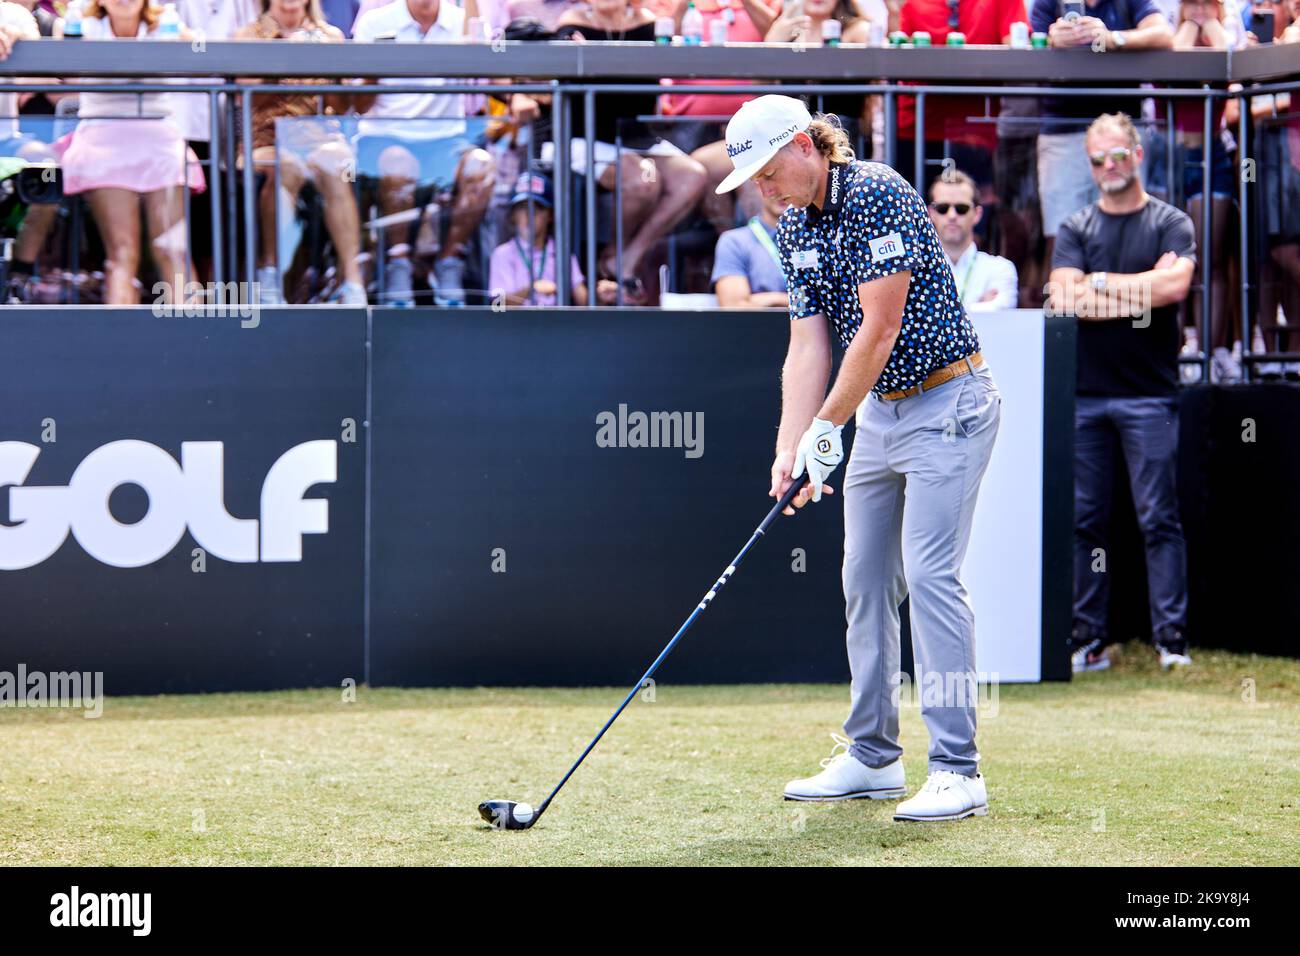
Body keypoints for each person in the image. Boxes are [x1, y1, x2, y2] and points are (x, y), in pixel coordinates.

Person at [716, 95, 1001, 822]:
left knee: (931, 575)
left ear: (808, 146)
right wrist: (792, 446)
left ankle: (959, 770)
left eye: (769, 171)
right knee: (865, 577)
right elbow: (807, 344)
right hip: (882, 410)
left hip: (951, 400)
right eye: (753, 180)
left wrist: (826, 429)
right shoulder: (793, 225)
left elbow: (878, 329)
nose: (764, 189)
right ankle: (874, 755)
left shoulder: (878, 192)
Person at [1046, 113, 1195, 672]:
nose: (1108, 166)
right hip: (1085, 395)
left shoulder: (1171, 221)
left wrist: (1098, 285)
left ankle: (1171, 640)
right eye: (1097, 159)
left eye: (1117, 156)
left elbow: (1176, 285)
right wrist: (1141, 290)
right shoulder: (1077, 226)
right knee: (1087, 519)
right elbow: (1063, 300)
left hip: (1150, 396)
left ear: (1137, 154)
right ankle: (1089, 638)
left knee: (1158, 517)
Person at [553, 0, 708, 302]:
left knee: (692, 176)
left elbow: (662, 70)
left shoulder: (648, 22)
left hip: (637, 136)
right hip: (586, 135)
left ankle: (624, 258)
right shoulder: (572, 20)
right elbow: (564, 69)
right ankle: (605, 265)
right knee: (641, 181)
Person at [54, 0, 206, 305]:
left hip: (158, 136)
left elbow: (204, 52)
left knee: (172, 248)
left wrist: (188, 38)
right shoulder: (79, 24)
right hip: (102, 136)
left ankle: (194, 342)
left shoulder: (167, 22)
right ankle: (121, 347)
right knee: (123, 251)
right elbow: (64, 77)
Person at [353, 0, 497, 306]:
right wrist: (375, 70)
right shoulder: (374, 22)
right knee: (397, 162)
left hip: (445, 140)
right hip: (385, 137)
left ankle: (448, 263)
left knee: (481, 167)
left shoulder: (463, 21)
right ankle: (398, 265)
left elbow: (486, 68)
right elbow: (357, 104)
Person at [233, 0, 367, 305]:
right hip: (267, 140)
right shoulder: (249, 35)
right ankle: (269, 275)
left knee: (336, 166)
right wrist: (284, 48)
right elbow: (244, 91)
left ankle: (353, 281)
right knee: (286, 166)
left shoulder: (330, 37)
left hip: (319, 139)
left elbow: (344, 104)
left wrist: (332, 69)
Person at [1029, 1, 1174, 264]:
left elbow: (1163, 34)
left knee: (1127, 229)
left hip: (1121, 127)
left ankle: (1120, 301)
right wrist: (1052, 39)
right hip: (1063, 129)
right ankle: (1070, 301)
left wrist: (1112, 38)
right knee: (1061, 236)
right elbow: (1027, 42)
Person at [894, 0, 1030, 199]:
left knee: (976, 214)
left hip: (977, 129)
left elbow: (1019, 55)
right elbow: (894, 57)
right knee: (911, 213)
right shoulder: (911, 3)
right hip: (918, 127)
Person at [1173, 0, 1238, 380]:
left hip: (1213, 156)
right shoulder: (1173, 34)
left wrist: (1212, 23)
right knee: (1177, 259)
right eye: (1191, 2)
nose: (1199, 9)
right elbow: (1176, 58)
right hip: (1175, 155)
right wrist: (1190, 24)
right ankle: (1179, 349)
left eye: (1206, 2)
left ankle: (1211, 351)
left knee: (1211, 259)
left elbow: (1230, 62)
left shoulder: (1220, 32)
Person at [0, 1, 57, 302]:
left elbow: (42, 68)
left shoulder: (14, 13)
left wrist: (10, 33)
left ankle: (17, 278)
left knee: (49, 169)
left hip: (6, 140)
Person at [487, 170, 614, 305]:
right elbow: (497, 307)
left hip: (554, 325)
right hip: (515, 325)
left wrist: (601, 299)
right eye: (522, 207)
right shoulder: (502, 254)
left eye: (538, 208)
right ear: (513, 215)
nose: (530, 214)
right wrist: (531, 288)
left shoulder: (561, 254)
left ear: (550, 215)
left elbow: (584, 304)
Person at [928, 169, 1018, 312]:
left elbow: (1001, 312)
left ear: (977, 214)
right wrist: (978, 307)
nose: (952, 215)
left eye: (961, 208)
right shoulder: (918, 271)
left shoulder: (1001, 268)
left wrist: (937, 312)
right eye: (943, 208)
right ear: (931, 213)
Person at [711, 191, 789, 308]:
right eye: (769, 177)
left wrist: (769, 299)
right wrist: (796, 301)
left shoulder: (816, 236)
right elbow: (733, 306)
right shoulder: (734, 241)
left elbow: (823, 302)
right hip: (762, 326)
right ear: (758, 185)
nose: (781, 191)